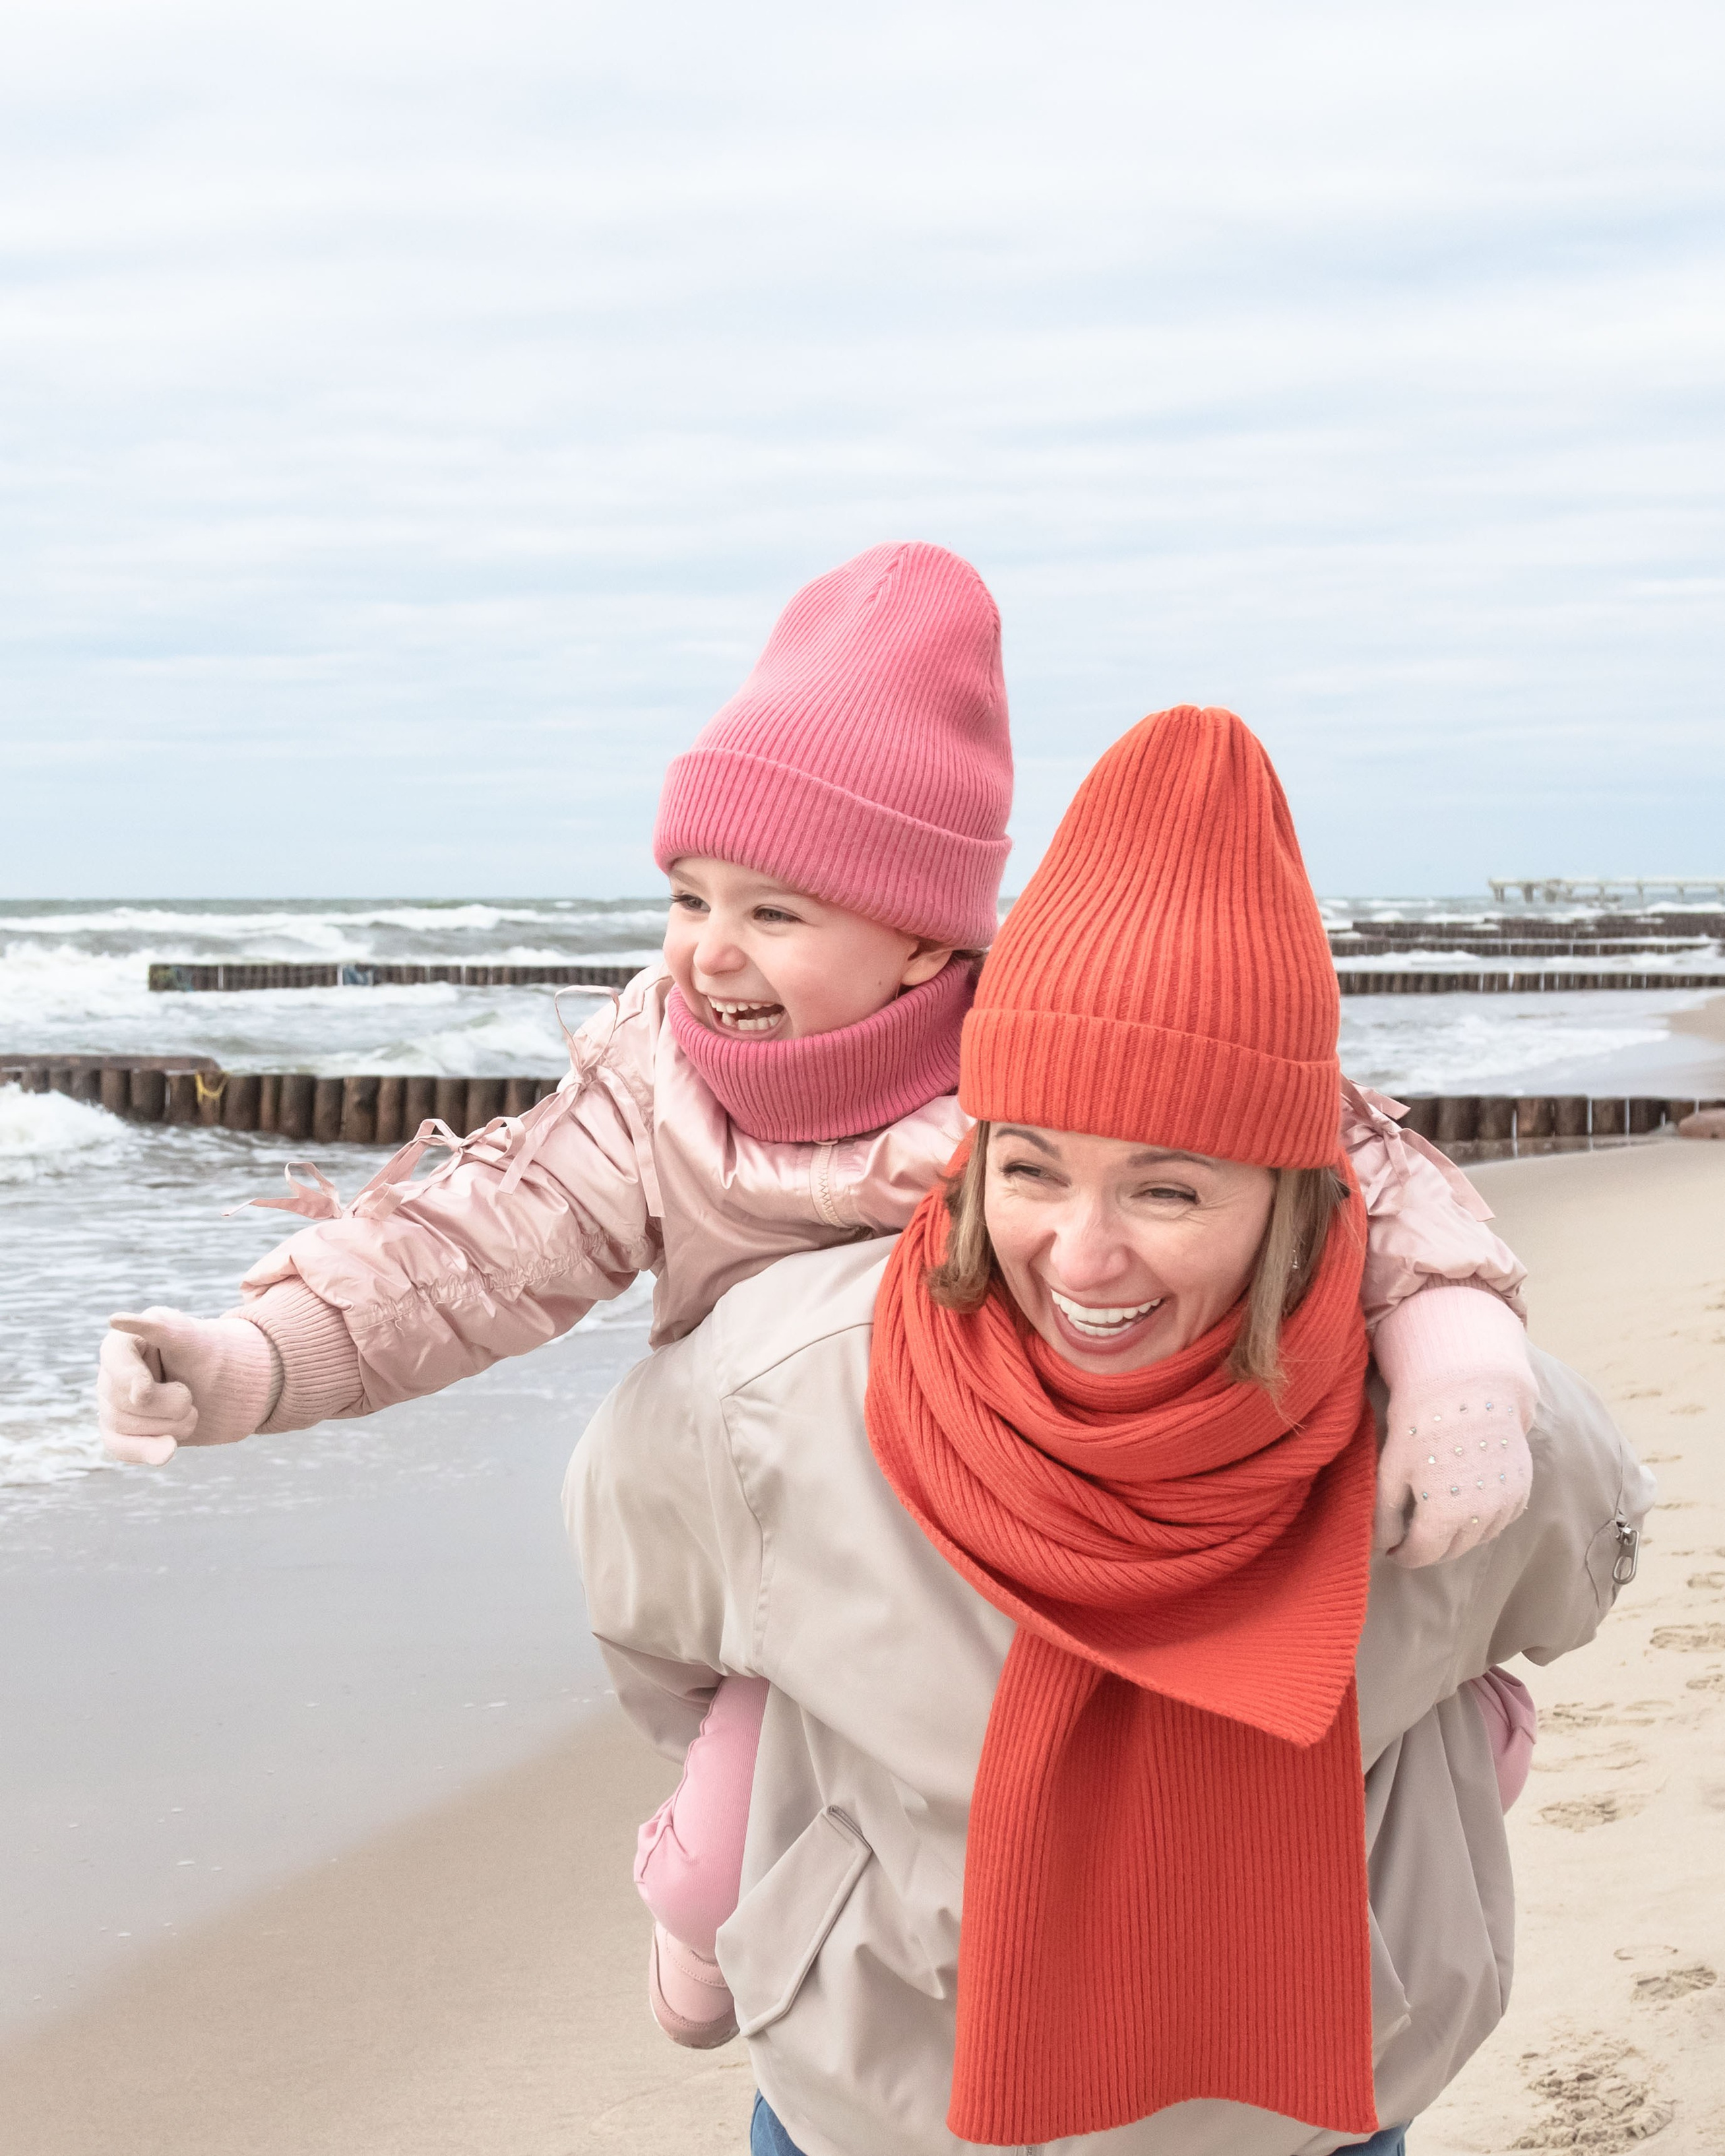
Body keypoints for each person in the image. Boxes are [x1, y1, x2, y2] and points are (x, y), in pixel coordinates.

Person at [98, 552, 1536, 2054]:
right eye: (685, 896)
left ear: (925, 934)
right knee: (726, 1865)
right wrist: (246, 1361)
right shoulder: (654, 1084)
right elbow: (469, 1249)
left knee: (1331, 1737)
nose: (708, 953)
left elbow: (1354, 1173)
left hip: (1080, 1510)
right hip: (810, 1552)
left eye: (774, 912)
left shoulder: (1044, 1054)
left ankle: (1452, 1726)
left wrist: (1457, 1369)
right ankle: (700, 1925)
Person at [568, 705, 1652, 2154]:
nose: (1080, 1259)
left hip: (1308, 2104)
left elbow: (1566, 1571)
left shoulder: (1457, 1424)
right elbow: (654, 1622)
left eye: (1166, 1190)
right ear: (970, 1159)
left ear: (1291, 1192)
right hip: (897, 2094)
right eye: (1030, 1171)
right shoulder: (781, 1393)